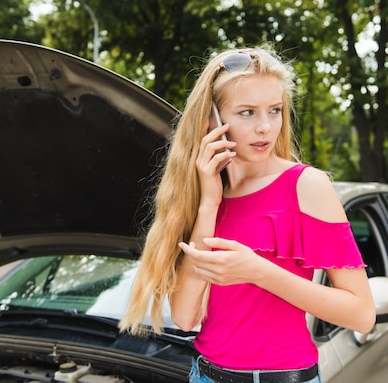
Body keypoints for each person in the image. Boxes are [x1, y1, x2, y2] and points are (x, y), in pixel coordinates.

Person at [119, 46, 375, 383]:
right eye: (247, 113)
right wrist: (209, 202)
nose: (265, 128)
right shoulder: (204, 194)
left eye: (275, 110)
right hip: (205, 376)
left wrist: (259, 271)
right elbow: (184, 316)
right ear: (211, 118)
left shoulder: (306, 186)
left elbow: (362, 315)